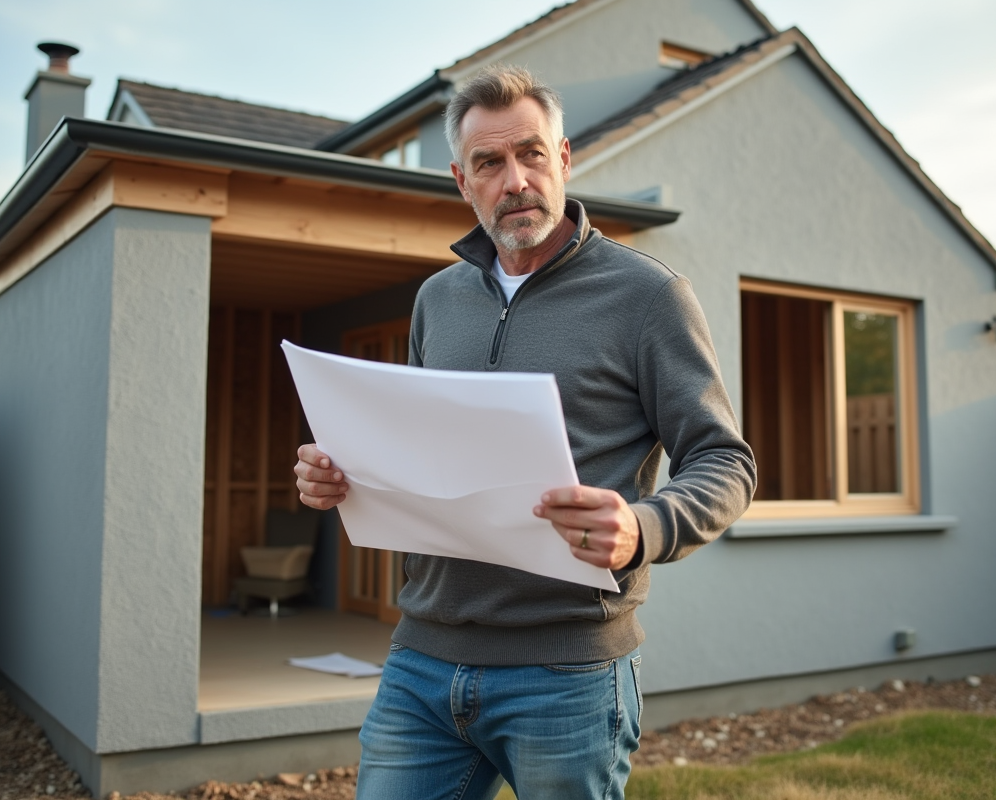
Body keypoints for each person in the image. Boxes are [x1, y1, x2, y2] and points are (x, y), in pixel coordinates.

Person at [294, 65, 756, 800]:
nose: (515, 180)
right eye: (489, 163)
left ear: (563, 159)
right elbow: (417, 449)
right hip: (422, 662)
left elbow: (724, 461)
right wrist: (342, 474)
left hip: (568, 673)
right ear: (462, 181)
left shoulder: (648, 296)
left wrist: (643, 527)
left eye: (532, 154)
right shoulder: (437, 300)